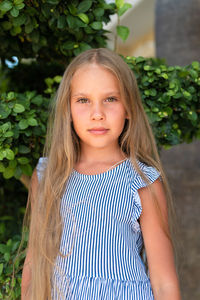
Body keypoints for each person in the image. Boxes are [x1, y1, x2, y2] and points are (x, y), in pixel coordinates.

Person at [21, 48, 181, 300]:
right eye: (83, 100)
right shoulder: (47, 176)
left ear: (129, 108)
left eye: (111, 99)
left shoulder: (143, 182)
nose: (98, 113)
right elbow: (33, 265)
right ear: (68, 109)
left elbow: (164, 283)